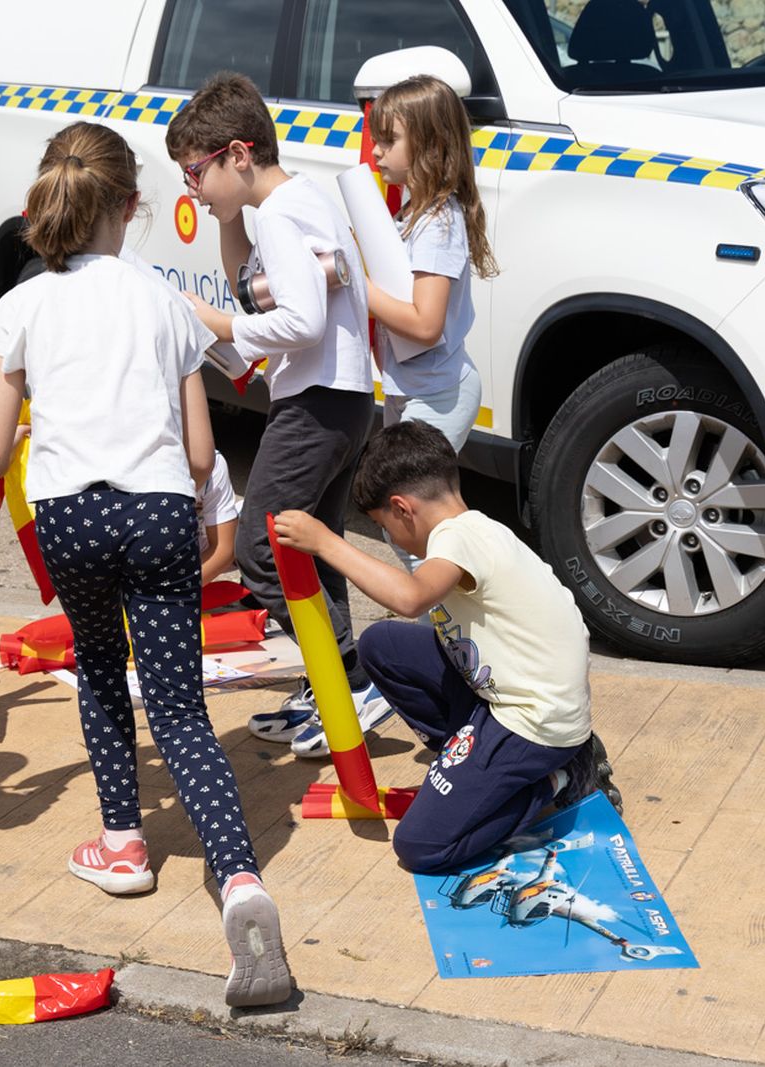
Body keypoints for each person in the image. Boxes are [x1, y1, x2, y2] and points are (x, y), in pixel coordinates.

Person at [0, 121, 291, 1008]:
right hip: (157, 511)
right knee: (181, 706)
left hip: (72, 512)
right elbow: (198, 452)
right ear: (131, 206)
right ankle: (237, 878)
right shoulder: (161, 301)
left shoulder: (25, 306)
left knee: (101, 676)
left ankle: (122, 844)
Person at [272, 421, 620, 874]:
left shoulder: (458, 538)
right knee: (381, 644)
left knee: (421, 846)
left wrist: (325, 543)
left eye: (383, 528)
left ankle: (559, 778)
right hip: (516, 699)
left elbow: (410, 597)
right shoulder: (476, 528)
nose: (390, 539)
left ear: (402, 508)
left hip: (534, 721)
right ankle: (477, 772)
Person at [164, 72, 380, 758]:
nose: (191, 188)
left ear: (237, 154)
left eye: (196, 171)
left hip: (316, 402)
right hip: (340, 400)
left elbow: (300, 319)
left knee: (263, 551)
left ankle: (349, 678)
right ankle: (333, 682)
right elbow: (256, 289)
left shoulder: (284, 216)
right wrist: (230, 226)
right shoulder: (294, 203)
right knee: (316, 546)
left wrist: (216, 325)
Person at [286, 73, 500, 761]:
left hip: (437, 396)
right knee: (412, 539)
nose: (376, 150)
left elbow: (425, 322)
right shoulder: (416, 214)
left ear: (429, 144)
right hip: (419, 395)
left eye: (389, 139)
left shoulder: (436, 225)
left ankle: (449, 664)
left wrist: (354, 279)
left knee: (417, 541)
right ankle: (450, 660)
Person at [197, 449, 240, 585]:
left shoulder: (211, 461)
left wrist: (176, 590)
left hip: (197, 549)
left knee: (261, 518)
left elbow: (223, 548)